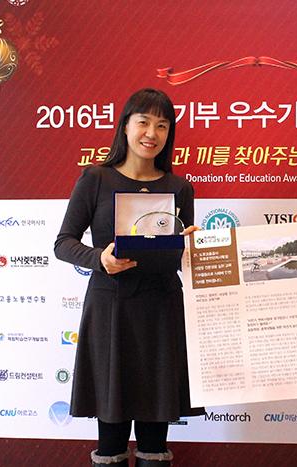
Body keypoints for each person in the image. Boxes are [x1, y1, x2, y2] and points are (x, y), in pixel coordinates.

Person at [54, 89, 203, 467]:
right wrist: (99, 258)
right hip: (111, 311)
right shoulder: (95, 179)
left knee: (155, 437)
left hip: (161, 312)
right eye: (144, 122)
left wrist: (193, 248)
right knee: (111, 436)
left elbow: (181, 256)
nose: (152, 133)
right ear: (125, 126)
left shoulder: (179, 188)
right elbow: (63, 243)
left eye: (162, 125)